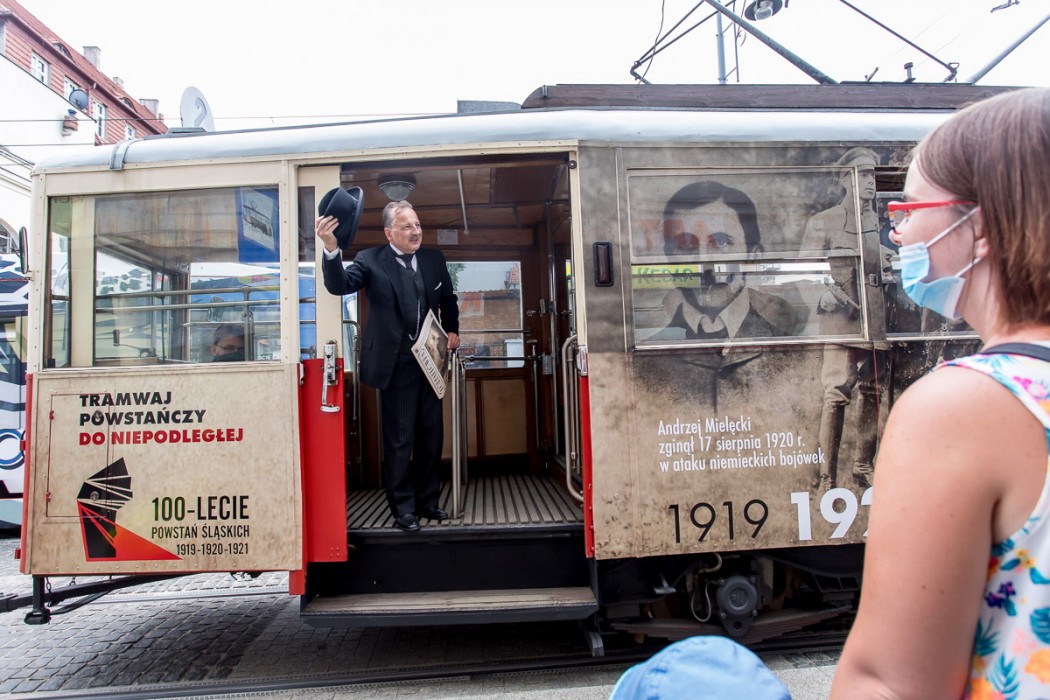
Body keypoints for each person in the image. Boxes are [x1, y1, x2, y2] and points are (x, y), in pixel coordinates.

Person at [831, 88, 1050, 698]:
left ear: (979, 227)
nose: (897, 230)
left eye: (910, 206)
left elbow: (890, 686)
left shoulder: (964, 409)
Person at [316, 198, 460, 533]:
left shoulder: (434, 260)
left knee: (431, 434)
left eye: (417, 225)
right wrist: (331, 248)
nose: (415, 231)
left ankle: (428, 501)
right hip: (396, 363)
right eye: (407, 226)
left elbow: (448, 300)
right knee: (400, 438)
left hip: (431, 360)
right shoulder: (369, 260)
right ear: (389, 232)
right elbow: (339, 285)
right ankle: (403, 508)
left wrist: (453, 329)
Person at [801, 147, 883, 492]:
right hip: (840, 320)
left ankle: (864, 467)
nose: (870, 181)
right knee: (835, 394)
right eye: (863, 174)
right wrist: (821, 296)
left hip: (877, 320)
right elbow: (804, 271)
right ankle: (827, 477)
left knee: (873, 390)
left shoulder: (881, 221)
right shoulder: (824, 221)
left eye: (873, 174)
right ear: (846, 180)